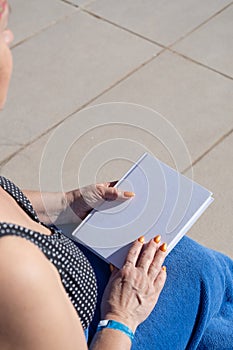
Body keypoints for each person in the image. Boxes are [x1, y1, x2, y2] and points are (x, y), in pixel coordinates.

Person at [0, 1, 232, 349]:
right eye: (2, 33)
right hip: (105, 330)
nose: (11, 36)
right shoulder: (14, 272)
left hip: (81, 293)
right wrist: (122, 316)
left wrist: (68, 203)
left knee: (210, 308)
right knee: (204, 272)